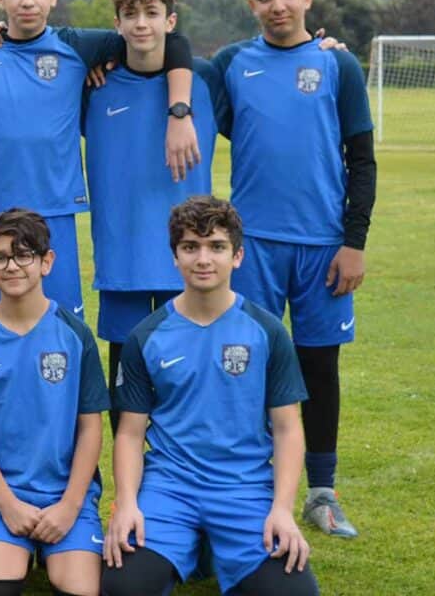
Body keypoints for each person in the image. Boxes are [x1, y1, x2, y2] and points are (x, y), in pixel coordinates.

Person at [206, 0, 377, 538]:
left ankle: (322, 494)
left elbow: (362, 160)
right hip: (252, 247)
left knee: (318, 365)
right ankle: (251, 491)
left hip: (323, 247)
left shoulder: (339, 66)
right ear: (251, 3)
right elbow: (165, 65)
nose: (276, 5)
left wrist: (353, 242)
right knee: (247, 365)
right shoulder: (232, 63)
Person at [0, 0, 198, 321]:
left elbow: (172, 40)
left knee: (61, 331)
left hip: (55, 212)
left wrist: (179, 111)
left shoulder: (78, 47)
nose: (27, 1)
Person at [102, 196, 317, 596]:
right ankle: (194, 545)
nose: (203, 259)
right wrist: (128, 503)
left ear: (237, 256)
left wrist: (282, 511)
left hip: (244, 488)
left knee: (295, 592)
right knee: (122, 587)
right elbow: (130, 433)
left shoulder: (267, 333)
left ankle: (213, 548)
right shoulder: (145, 336)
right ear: (174, 257)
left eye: (216, 247)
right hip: (170, 487)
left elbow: (288, 429)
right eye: (190, 247)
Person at [82, 0, 218, 432]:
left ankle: (182, 478)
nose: (142, 24)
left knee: (191, 375)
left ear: (171, 20)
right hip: (125, 258)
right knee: (127, 383)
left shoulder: (205, 81)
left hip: (190, 256)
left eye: (152, 14)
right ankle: (130, 489)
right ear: (116, 25)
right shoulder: (94, 86)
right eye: (131, 15)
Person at [0, 209, 109, 596]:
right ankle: (13, 537)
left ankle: (60, 541)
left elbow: (91, 426)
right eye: (1, 257)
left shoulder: (74, 334)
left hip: (66, 496)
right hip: (4, 495)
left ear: (46, 262)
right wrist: (6, 503)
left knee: (78, 590)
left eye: (24, 255)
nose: (13, 266)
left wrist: (70, 505)